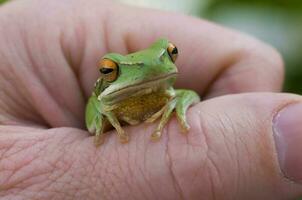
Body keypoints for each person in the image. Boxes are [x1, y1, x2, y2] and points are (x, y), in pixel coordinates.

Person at [0, 0, 301, 199]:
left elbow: (190, 94)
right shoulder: (103, 97)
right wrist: (103, 114)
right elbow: (94, 111)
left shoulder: (167, 86)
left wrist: (178, 103)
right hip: (109, 110)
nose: (160, 63)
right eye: (110, 69)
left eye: (170, 54)